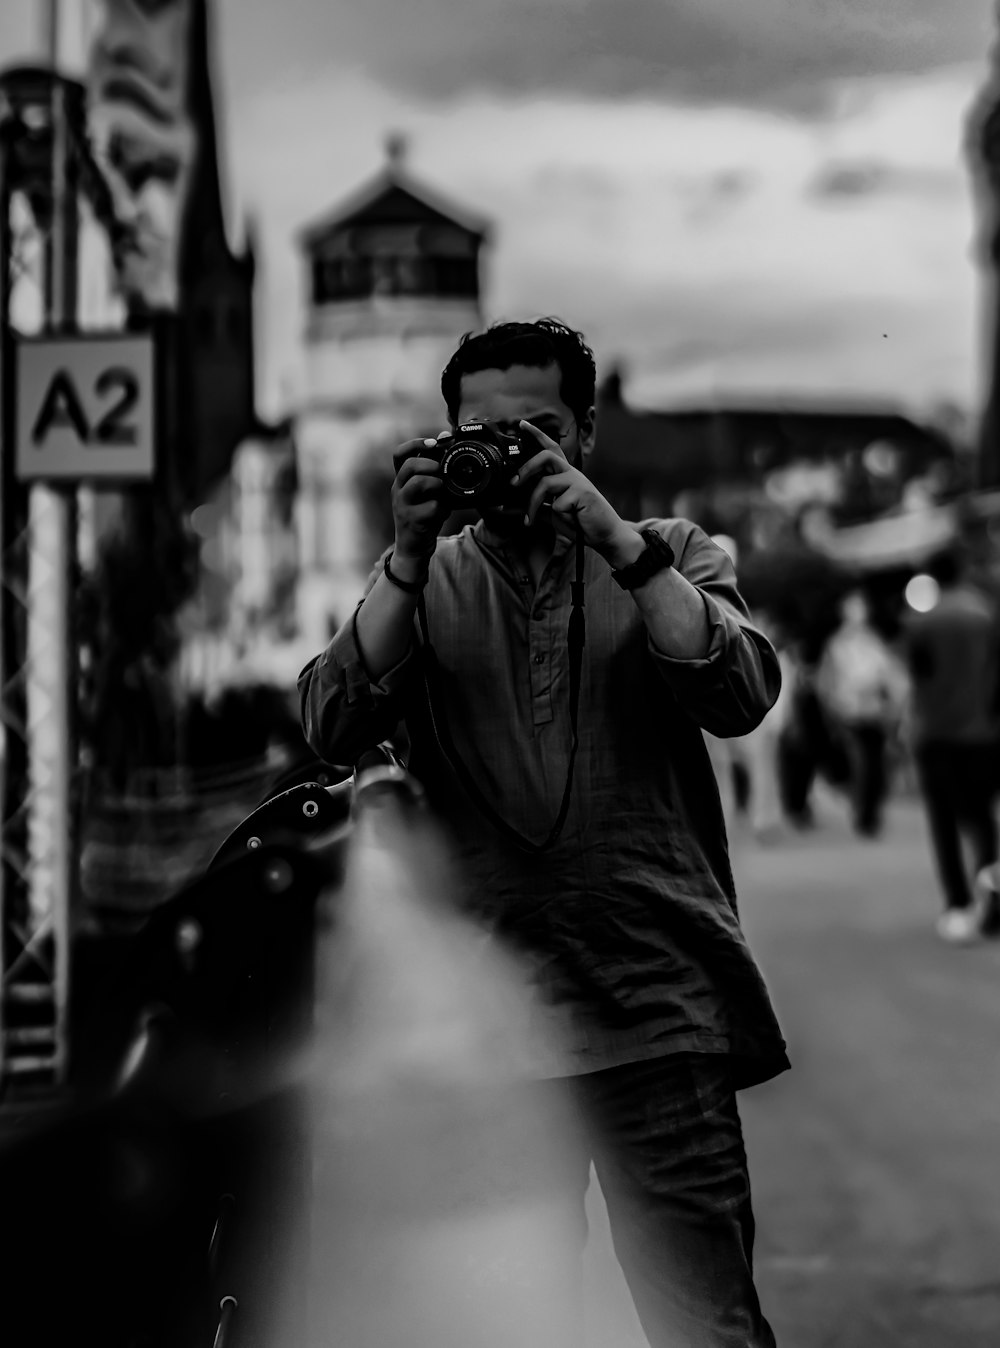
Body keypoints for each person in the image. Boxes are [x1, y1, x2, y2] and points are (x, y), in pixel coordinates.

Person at [298, 318, 788, 1346]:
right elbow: (329, 724)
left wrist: (618, 540)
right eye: (482, 435)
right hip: (488, 1031)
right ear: (442, 441)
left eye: (537, 432)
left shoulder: (673, 552)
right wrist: (403, 555)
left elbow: (740, 691)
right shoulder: (423, 581)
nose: (507, 457)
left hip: (656, 1006)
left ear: (587, 433)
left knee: (704, 1325)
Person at [903, 549, 1000, 943]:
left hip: (937, 735)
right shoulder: (986, 614)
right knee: (982, 820)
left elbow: (918, 679)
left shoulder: (924, 623)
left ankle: (958, 903)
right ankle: (992, 897)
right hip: (983, 732)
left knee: (944, 823)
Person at [816, 589, 907, 837]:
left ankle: (870, 812)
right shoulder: (837, 644)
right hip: (851, 712)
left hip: (875, 712)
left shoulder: (872, 641)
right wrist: (835, 706)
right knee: (863, 763)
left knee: (876, 765)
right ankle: (865, 814)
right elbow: (828, 681)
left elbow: (888, 674)